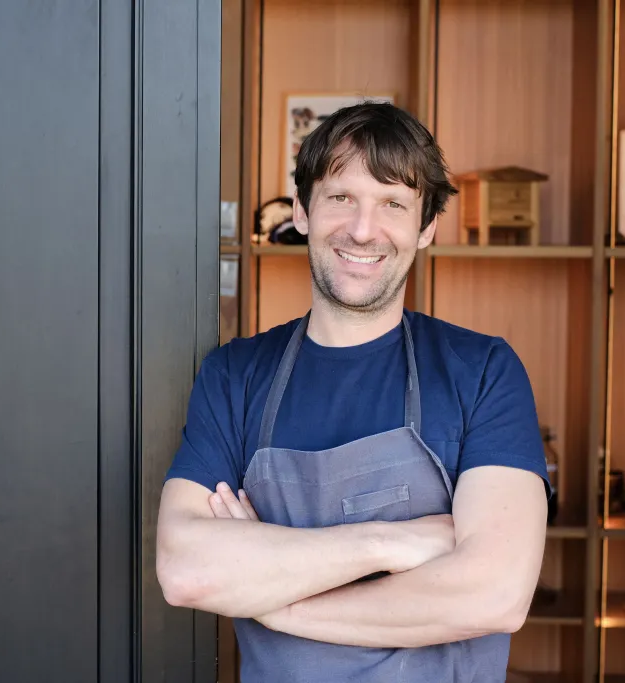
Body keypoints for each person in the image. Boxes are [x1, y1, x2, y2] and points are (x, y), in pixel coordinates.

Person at [156, 101, 551, 683]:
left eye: (393, 204)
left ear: (426, 228)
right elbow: (187, 570)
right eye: (341, 197)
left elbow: (494, 596)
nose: (363, 230)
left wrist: (271, 600)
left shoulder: (482, 371)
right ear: (302, 211)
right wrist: (388, 544)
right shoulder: (235, 375)